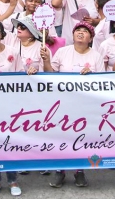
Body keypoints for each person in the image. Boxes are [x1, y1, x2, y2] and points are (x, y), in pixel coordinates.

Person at [44, 22, 104, 188]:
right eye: (78, 30)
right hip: (63, 103)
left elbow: (103, 82)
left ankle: (79, 171)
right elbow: (50, 75)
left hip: (85, 104)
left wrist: (90, 76)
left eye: (85, 31)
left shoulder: (96, 56)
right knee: (61, 137)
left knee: (81, 138)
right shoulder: (63, 52)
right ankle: (60, 171)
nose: (80, 33)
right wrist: (46, 61)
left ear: (91, 38)